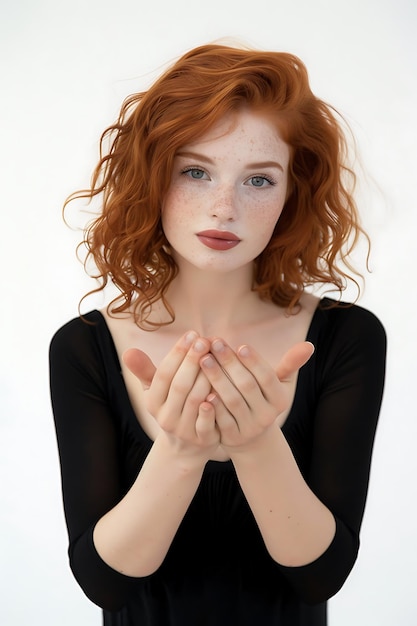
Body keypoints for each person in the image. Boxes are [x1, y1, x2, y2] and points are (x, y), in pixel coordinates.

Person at [49, 44, 386, 626]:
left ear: (291, 195)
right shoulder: (83, 346)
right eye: (196, 171)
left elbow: (319, 577)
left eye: (259, 179)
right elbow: (104, 583)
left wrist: (258, 446)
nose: (223, 207)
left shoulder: (346, 338)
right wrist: (180, 452)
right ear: (153, 177)